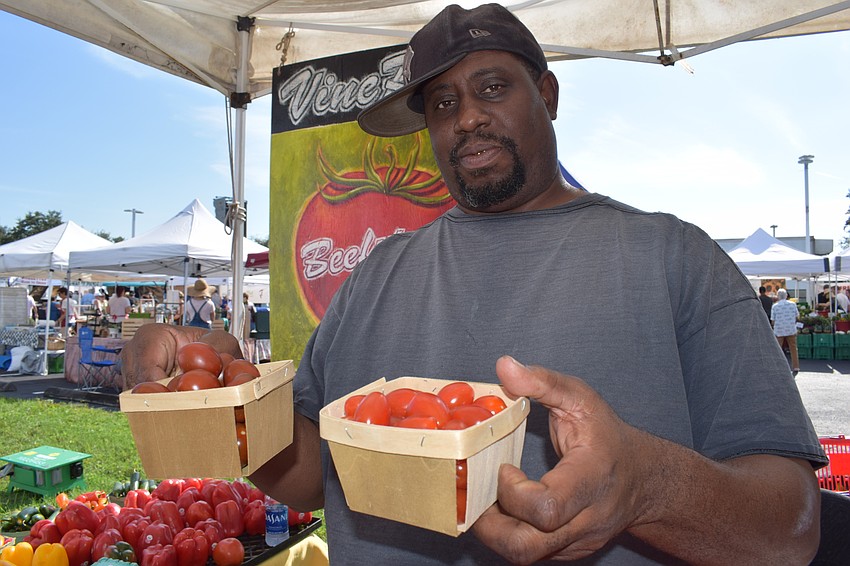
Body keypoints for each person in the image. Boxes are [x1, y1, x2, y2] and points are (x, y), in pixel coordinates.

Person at [120, 5, 825, 564]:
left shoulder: (677, 259)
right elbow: (311, 476)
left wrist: (646, 486)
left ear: (546, 94)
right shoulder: (376, 278)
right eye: (443, 103)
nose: (467, 118)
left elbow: (788, 531)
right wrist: (228, 391)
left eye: (493, 87)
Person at [771, 288, 801, 377]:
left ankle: (778, 366)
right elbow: (797, 316)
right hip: (791, 329)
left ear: (778, 296)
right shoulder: (793, 304)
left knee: (778, 349)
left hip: (779, 330)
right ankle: (795, 367)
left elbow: (773, 320)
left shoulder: (775, 306)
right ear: (787, 296)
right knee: (793, 348)